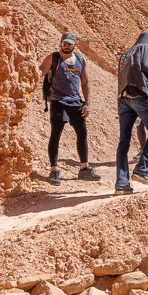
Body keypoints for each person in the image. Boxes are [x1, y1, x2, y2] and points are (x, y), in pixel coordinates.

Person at [40, 32, 101, 186]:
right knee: (56, 135)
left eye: (69, 44)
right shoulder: (53, 58)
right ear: (60, 44)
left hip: (76, 103)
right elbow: (38, 72)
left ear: (74, 45)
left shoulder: (80, 60)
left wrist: (87, 103)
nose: (66, 46)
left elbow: (85, 81)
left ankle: (84, 169)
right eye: (64, 44)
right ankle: (54, 170)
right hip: (58, 102)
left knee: (82, 134)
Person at [115, 30, 148, 194]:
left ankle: (121, 183)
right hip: (139, 95)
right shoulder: (145, 47)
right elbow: (145, 66)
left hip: (123, 99)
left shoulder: (126, 53)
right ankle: (142, 170)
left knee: (123, 142)